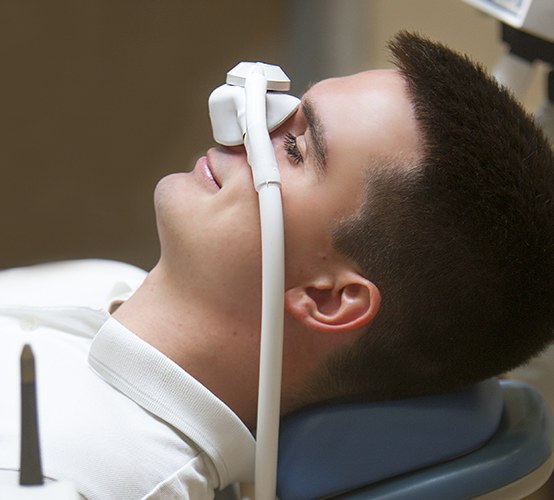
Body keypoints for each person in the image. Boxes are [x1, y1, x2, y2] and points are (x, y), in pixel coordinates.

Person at [1, 31, 553, 499]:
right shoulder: (105, 283)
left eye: (294, 148)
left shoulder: (69, 478)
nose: (245, 129)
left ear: (328, 297)